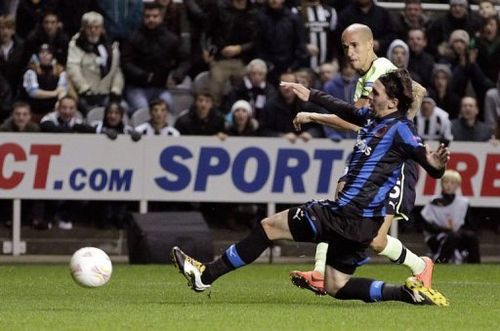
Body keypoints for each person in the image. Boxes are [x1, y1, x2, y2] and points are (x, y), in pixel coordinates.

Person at [173, 69, 450, 306]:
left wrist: (436, 164)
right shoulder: (373, 117)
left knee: (269, 227)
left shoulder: (401, 129)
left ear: (392, 101)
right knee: (336, 285)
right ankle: (404, 293)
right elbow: (347, 110)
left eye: (376, 93)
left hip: (345, 214)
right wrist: (312, 95)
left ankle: (205, 275)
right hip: (363, 224)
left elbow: (429, 165)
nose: (371, 96)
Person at [289, 24, 432, 295]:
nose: (350, 53)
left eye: (355, 46)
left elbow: (418, 91)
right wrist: (313, 115)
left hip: (393, 166)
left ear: (371, 45)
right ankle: (321, 272)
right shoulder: (365, 80)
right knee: (348, 209)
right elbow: (356, 122)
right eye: (345, 48)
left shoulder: (383, 70)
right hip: (373, 160)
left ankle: (420, 265)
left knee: (373, 236)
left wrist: (399, 133)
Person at [121, 2, 189, 113]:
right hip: (136, 87)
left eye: (155, 16)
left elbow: (184, 60)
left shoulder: (171, 39)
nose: (151, 19)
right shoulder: (133, 38)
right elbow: (125, 62)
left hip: (160, 88)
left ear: (161, 17)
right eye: (147, 16)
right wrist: (143, 75)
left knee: (168, 108)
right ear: (143, 17)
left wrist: (177, 76)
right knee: (143, 111)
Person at [66, 11, 124, 115]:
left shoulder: (111, 46)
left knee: (123, 108)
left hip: (106, 92)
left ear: (102, 28)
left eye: (97, 27)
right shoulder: (76, 45)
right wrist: (85, 89)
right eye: (89, 27)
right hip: (86, 93)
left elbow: (116, 70)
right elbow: (73, 68)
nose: (93, 30)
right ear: (84, 28)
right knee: (91, 112)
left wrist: (116, 89)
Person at [420, 170, 480, 264]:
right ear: (441, 183)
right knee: (452, 236)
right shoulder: (434, 201)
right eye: (446, 182)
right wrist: (444, 229)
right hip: (437, 235)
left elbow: (469, 224)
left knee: (472, 237)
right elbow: (427, 225)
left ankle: (475, 265)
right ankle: (440, 262)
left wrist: (460, 231)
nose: (448, 185)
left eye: (452, 183)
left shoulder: (463, 203)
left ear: (457, 185)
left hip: (456, 234)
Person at [22, 43, 67, 123]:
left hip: (52, 111)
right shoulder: (31, 70)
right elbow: (33, 92)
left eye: (48, 53)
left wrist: (60, 101)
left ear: (52, 56)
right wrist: (54, 93)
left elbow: (62, 89)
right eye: (42, 52)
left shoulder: (60, 70)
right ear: (38, 55)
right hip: (34, 110)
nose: (45, 55)